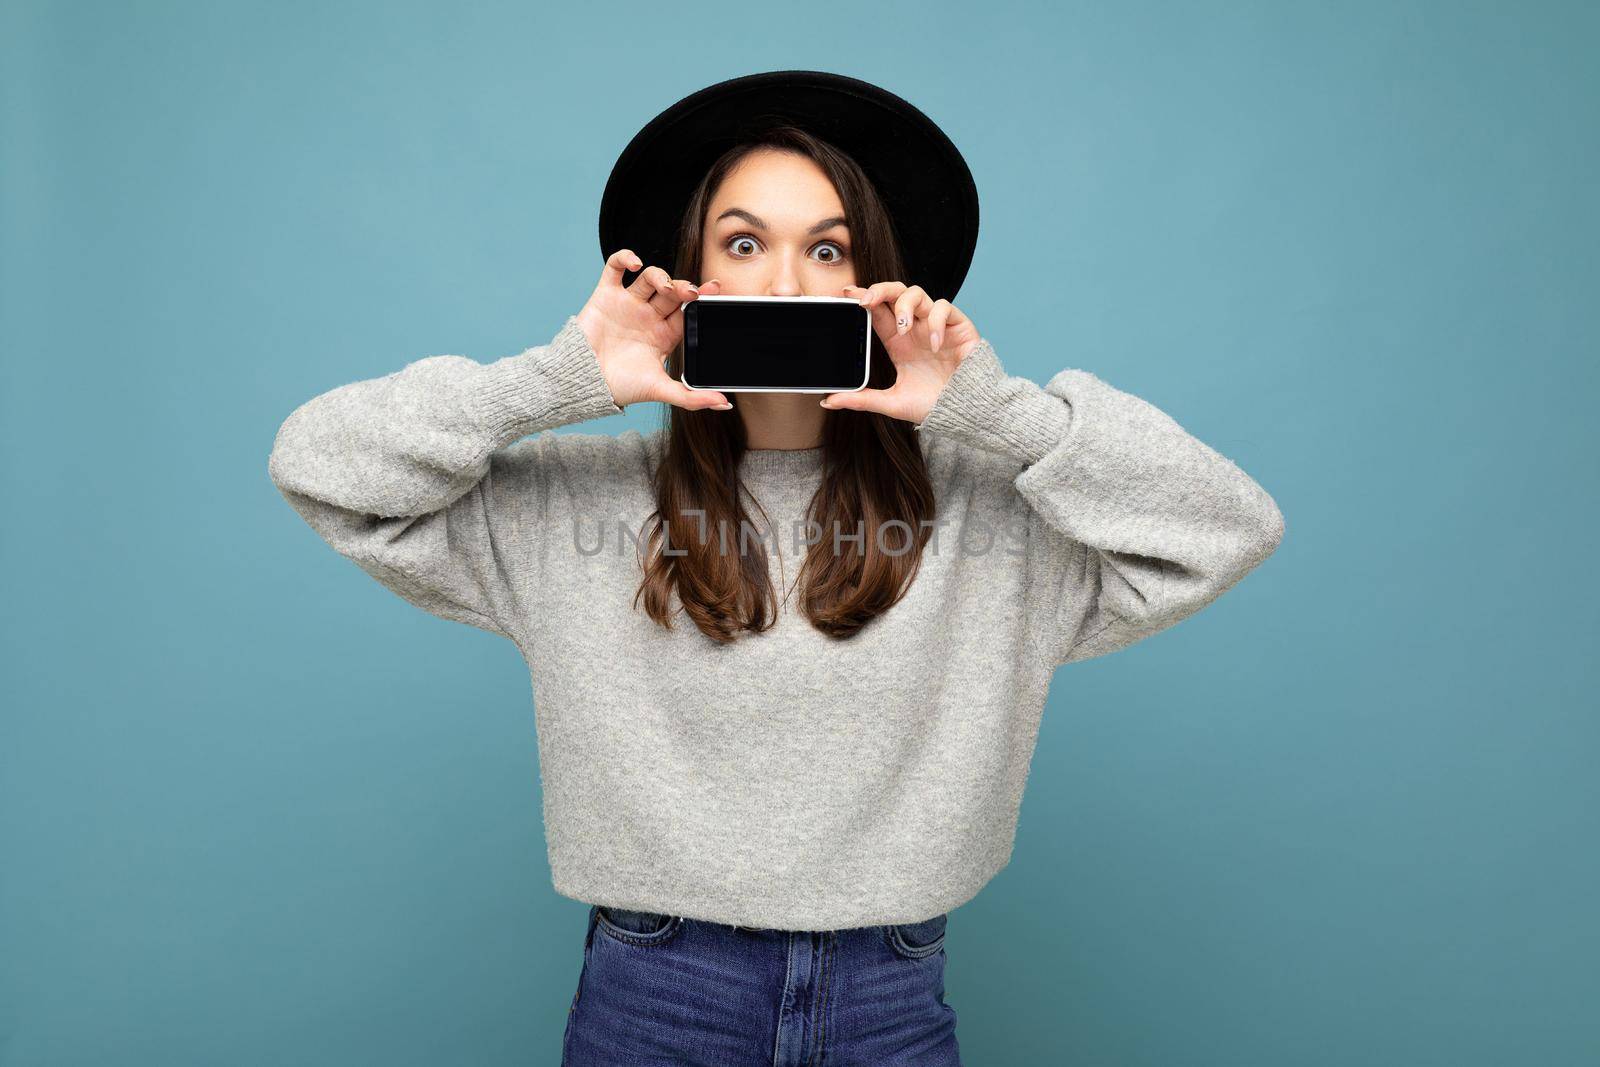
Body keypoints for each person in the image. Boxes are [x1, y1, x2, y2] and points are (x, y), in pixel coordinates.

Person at [267, 70, 1285, 1067]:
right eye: (744, 242)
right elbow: (319, 464)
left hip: (892, 990)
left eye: (828, 247)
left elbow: (1227, 525)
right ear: (689, 274)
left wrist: (994, 409)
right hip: (655, 988)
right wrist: (561, 378)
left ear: (878, 281)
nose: (788, 281)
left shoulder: (995, 506)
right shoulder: (573, 503)